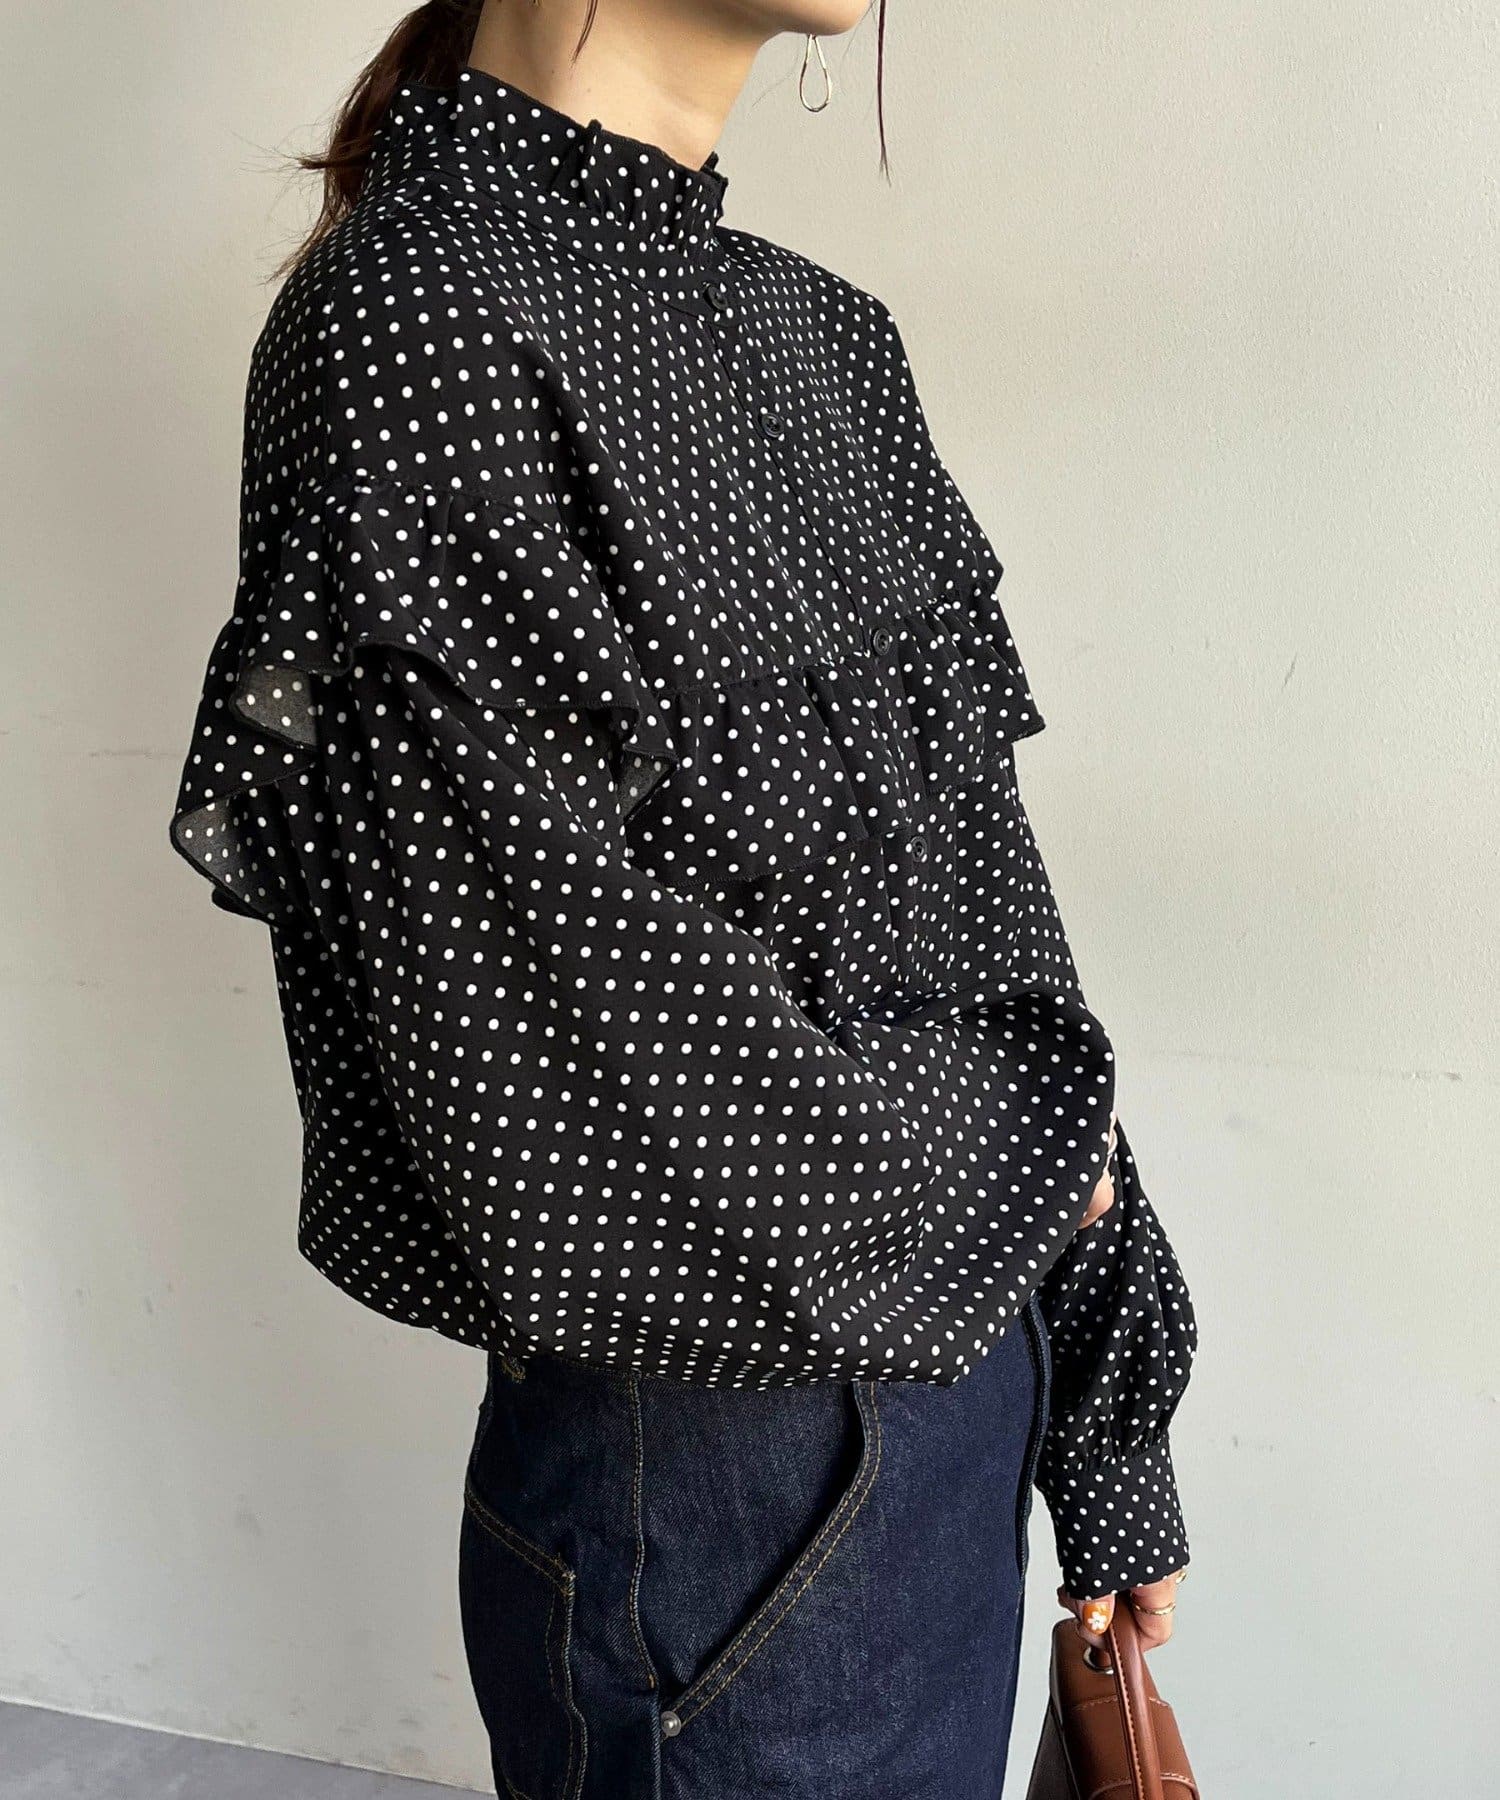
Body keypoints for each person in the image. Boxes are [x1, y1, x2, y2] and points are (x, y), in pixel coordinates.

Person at [167, 2, 1197, 1793]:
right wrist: (1022, 1171)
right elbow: (547, 1056)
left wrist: (1109, 1406)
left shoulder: (825, 334)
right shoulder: (415, 315)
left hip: (966, 1388)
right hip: (729, 1502)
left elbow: (994, 931)